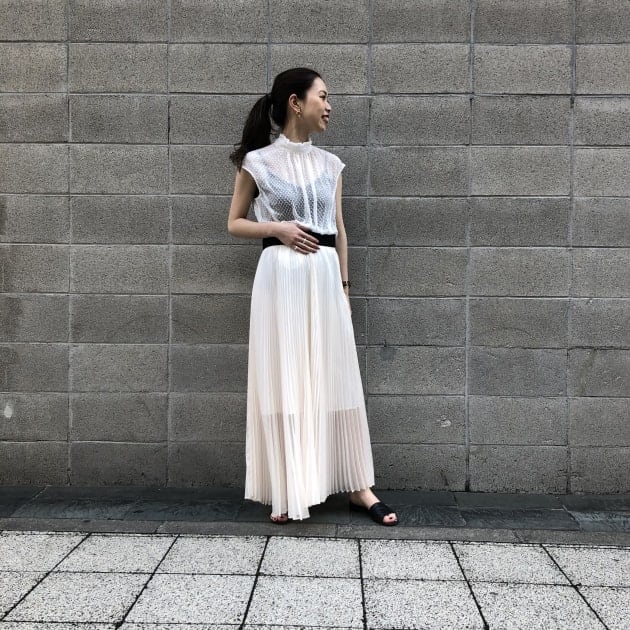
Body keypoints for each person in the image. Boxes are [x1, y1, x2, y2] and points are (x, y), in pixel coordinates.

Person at [227, 67, 398, 526]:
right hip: (280, 277)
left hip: (324, 278)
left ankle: (359, 486)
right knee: (285, 375)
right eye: (323, 96)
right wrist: (278, 229)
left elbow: (339, 231)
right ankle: (289, 486)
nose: (329, 106)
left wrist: (344, 288)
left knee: (335, 375)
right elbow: (234, 222)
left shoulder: (330, 165)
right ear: (295, 102)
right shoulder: (258, 162)